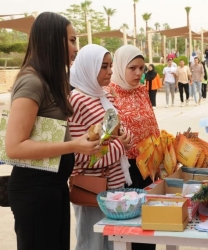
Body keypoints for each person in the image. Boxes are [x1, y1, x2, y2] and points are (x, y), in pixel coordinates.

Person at [6, 12, 100, 250]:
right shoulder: (32, 82)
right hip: (34, 191)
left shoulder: (50, 80)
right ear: (52, 40)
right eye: (71, 40)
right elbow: (14, 147)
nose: (75, 48)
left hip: (53, 186)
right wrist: (73, 145)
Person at [68, 44, 131, 250]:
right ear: (88, 67)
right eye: (103, 66)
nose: (110, 71)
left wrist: (124, 137)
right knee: (92, 244)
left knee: (114, 244)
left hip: (115, 185)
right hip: (92, 188)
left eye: (111, 65)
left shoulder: (105, 95)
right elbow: (82, 155)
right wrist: (120, 147)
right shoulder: (77, 100)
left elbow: (118, 130)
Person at [108, 45, 159, 250]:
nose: (138, 73)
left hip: (148, 166)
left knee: (149, 224)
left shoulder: (141, 90)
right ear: (120, 67)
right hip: (125, 170)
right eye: (133, 68)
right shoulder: (109, 93)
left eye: (141, 68)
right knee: (131, 227)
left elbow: (152, 122)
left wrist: (161, 152)